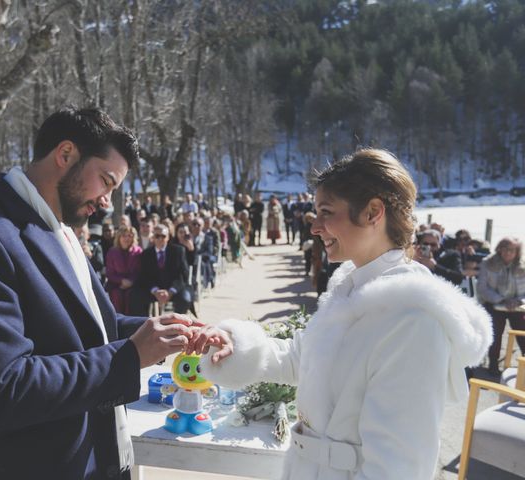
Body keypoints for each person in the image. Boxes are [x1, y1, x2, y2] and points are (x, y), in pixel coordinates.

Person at [0, 107, 197, 480]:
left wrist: (161, 331)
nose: (107, 202)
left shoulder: (56, 227)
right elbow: (0, 390)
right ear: (65, 154)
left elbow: (88, 326)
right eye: (106, 181)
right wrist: (128, 357)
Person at [191, 148, 492, 479]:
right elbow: (303, 357)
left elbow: (399, 466)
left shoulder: (413, 321)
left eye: (326, 212)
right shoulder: (349, 288)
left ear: (373, 213)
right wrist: (237, 346)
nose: (315, 227)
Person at [477, 236, 525, 376]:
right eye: (504, 249)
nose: (508, 253)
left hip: (517, 306)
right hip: (494, 304)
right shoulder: (488, 263)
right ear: (499, 249)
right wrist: (502, 300)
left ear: (517, 251)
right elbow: (482, 288)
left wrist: (518, 301)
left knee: (522, 334)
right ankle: (493, 364)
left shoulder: (523, 265)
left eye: (511, 250)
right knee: (495, 334)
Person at [131, 224, 192, 316]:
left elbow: (183, 275)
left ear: (168, 237)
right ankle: (143, 325)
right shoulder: (146, 254)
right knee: (136, 296)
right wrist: (155, 291)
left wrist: (171, 291)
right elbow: (144, 276)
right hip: (154, 289)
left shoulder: (178, 251)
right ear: (153, 237)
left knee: (185, 299)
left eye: (163, 236)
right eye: (157, 236)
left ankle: (177, 325)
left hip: (174, 289)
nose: (160, 239)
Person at [105, 226, 142, 315]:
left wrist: (131, 281)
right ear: (119, 237)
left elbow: (139, 271)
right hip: (116, 284)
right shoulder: (112, 252)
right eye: (124, 236)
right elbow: (109, 273)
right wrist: (122, 281)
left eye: (129, 235)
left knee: (132, 295)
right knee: (116, 294)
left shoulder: (138, 251)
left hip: (134, 283)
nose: (126, 238)